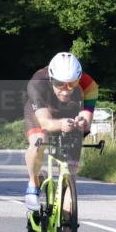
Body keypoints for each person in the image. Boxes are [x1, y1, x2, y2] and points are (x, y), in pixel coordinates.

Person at [23, 52, 98, 210]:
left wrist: (81, 122)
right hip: (41, 114)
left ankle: (67, 224)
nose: (66, 90)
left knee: (70, 171)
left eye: (72, 84)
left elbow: (86, 120)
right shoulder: (37, 82)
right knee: (39, 141)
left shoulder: (89, 85)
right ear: (51, 78)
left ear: (79, 79)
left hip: (69, 113)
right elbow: (46, 122)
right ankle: (33, 182)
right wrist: (61, 124)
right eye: (60, 84)